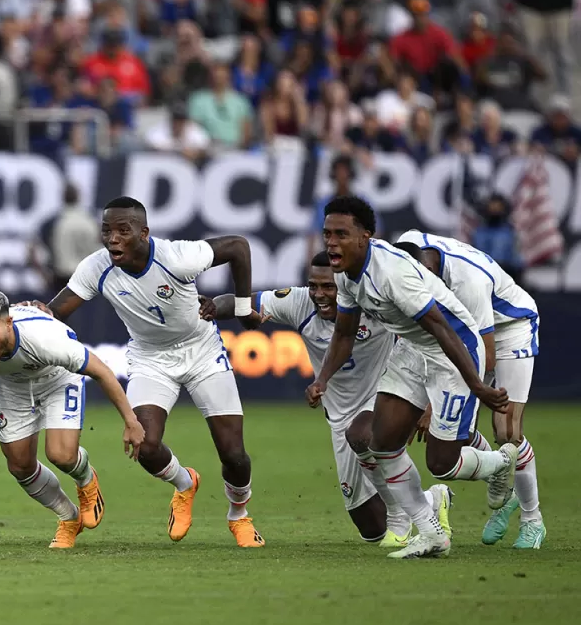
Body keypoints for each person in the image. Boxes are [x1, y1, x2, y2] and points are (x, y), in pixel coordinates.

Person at [29, 196, 266, 548]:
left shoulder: (175, 256)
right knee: (145, 445)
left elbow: (238, 247)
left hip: (201, 351)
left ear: (144, 232)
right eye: (106, 231)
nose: (112, 239)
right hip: (150, 358)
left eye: (123, 231)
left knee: (233, 453)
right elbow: (57, 310)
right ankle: (185, 484)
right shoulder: (96, 267)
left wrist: (244, 308)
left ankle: (239, 516)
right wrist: (35, 315)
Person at [307, 196, 512, 560]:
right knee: (381, 443)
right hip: (413, 351)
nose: (331, 242)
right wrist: (323, 379)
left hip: (454, 351)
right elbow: (343, 334)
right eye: (327, 234)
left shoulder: (391, 273)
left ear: (365, 237)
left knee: (442, 464)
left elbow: (442, 328)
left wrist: (478, 385)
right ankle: (432, 533)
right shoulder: (345, 274)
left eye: (341, 233)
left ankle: (501, 463)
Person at [200, 253, 451, 547]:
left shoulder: (373, 300)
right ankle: (431, 499)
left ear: (343, 285)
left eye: (328, 287)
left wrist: (432, 400)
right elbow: (245, 301)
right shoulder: (298, 302)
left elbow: (431, 337)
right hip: (338, 413)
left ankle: (402, 514)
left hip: (384, 394)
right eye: (313, 286)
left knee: (361, 435)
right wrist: (212, 307)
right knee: (371, 529)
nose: (319, 294)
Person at [0, 290, 144, 548]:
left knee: (61, 455)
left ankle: (86, 479)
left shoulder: (46, 339)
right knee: (19, 466)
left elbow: (102, 372)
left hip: (57, 378)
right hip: (11, 386)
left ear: (8, 322)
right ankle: (68, 517)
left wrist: (131, 421)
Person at [394, 232, 546, 549]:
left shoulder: (467, 283)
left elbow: (485, 358)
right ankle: (501, 476)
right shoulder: (406, 249)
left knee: (506, 429)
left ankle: (533, 520)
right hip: (465, 336)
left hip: (509, 328)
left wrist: (435, 405)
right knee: (459, 433)